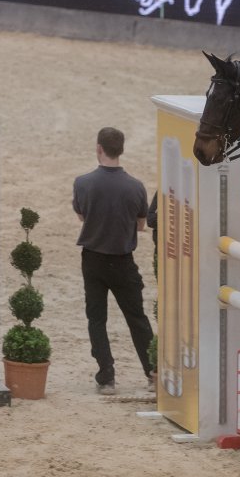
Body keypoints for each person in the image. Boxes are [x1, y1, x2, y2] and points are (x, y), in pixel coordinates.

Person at [72, 127, 155, 395]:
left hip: (93, 258)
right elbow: (141, 226)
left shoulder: (82, 183)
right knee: (137, 319)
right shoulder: (136, 187)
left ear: (99, 148)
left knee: (96, 318)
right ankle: (153, 372)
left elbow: (83, 216)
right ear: (121, 149)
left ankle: (106, 376)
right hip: (122, 260)